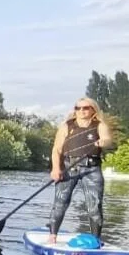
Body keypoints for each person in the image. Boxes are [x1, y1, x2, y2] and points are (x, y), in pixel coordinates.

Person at [49, 96, 114, 241]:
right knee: (60, 202)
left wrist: (104, 141)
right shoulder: (67, 126)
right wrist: (55, 169)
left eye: (85, 108)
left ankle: (95, 239)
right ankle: (52, 236)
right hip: (68, 167)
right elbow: (57, 149)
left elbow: (108, 139)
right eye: (78, 108)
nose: (81, 111)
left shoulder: (99, 125)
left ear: (92, 110)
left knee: (94, 206)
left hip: (92, 168)